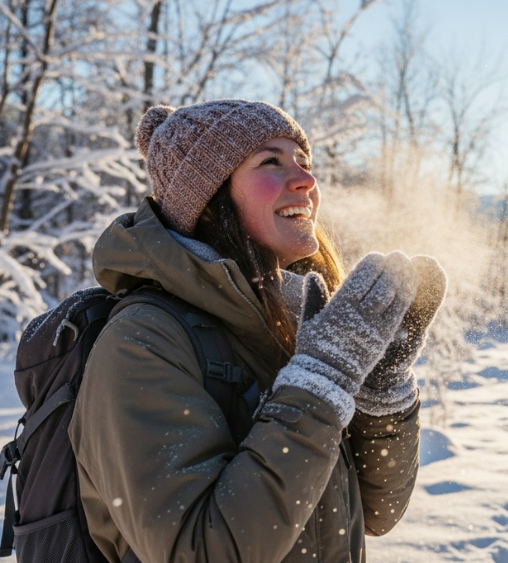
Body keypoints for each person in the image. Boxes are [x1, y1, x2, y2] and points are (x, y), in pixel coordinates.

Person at [68, 99, 445, 562]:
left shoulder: (290, 324)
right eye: (271, 161)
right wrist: (321, 381)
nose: (306, 180)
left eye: (304, 162)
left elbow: (376, 510)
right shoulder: (143, 340)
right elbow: (201, 552)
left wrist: (379, 391)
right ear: (206, 201)